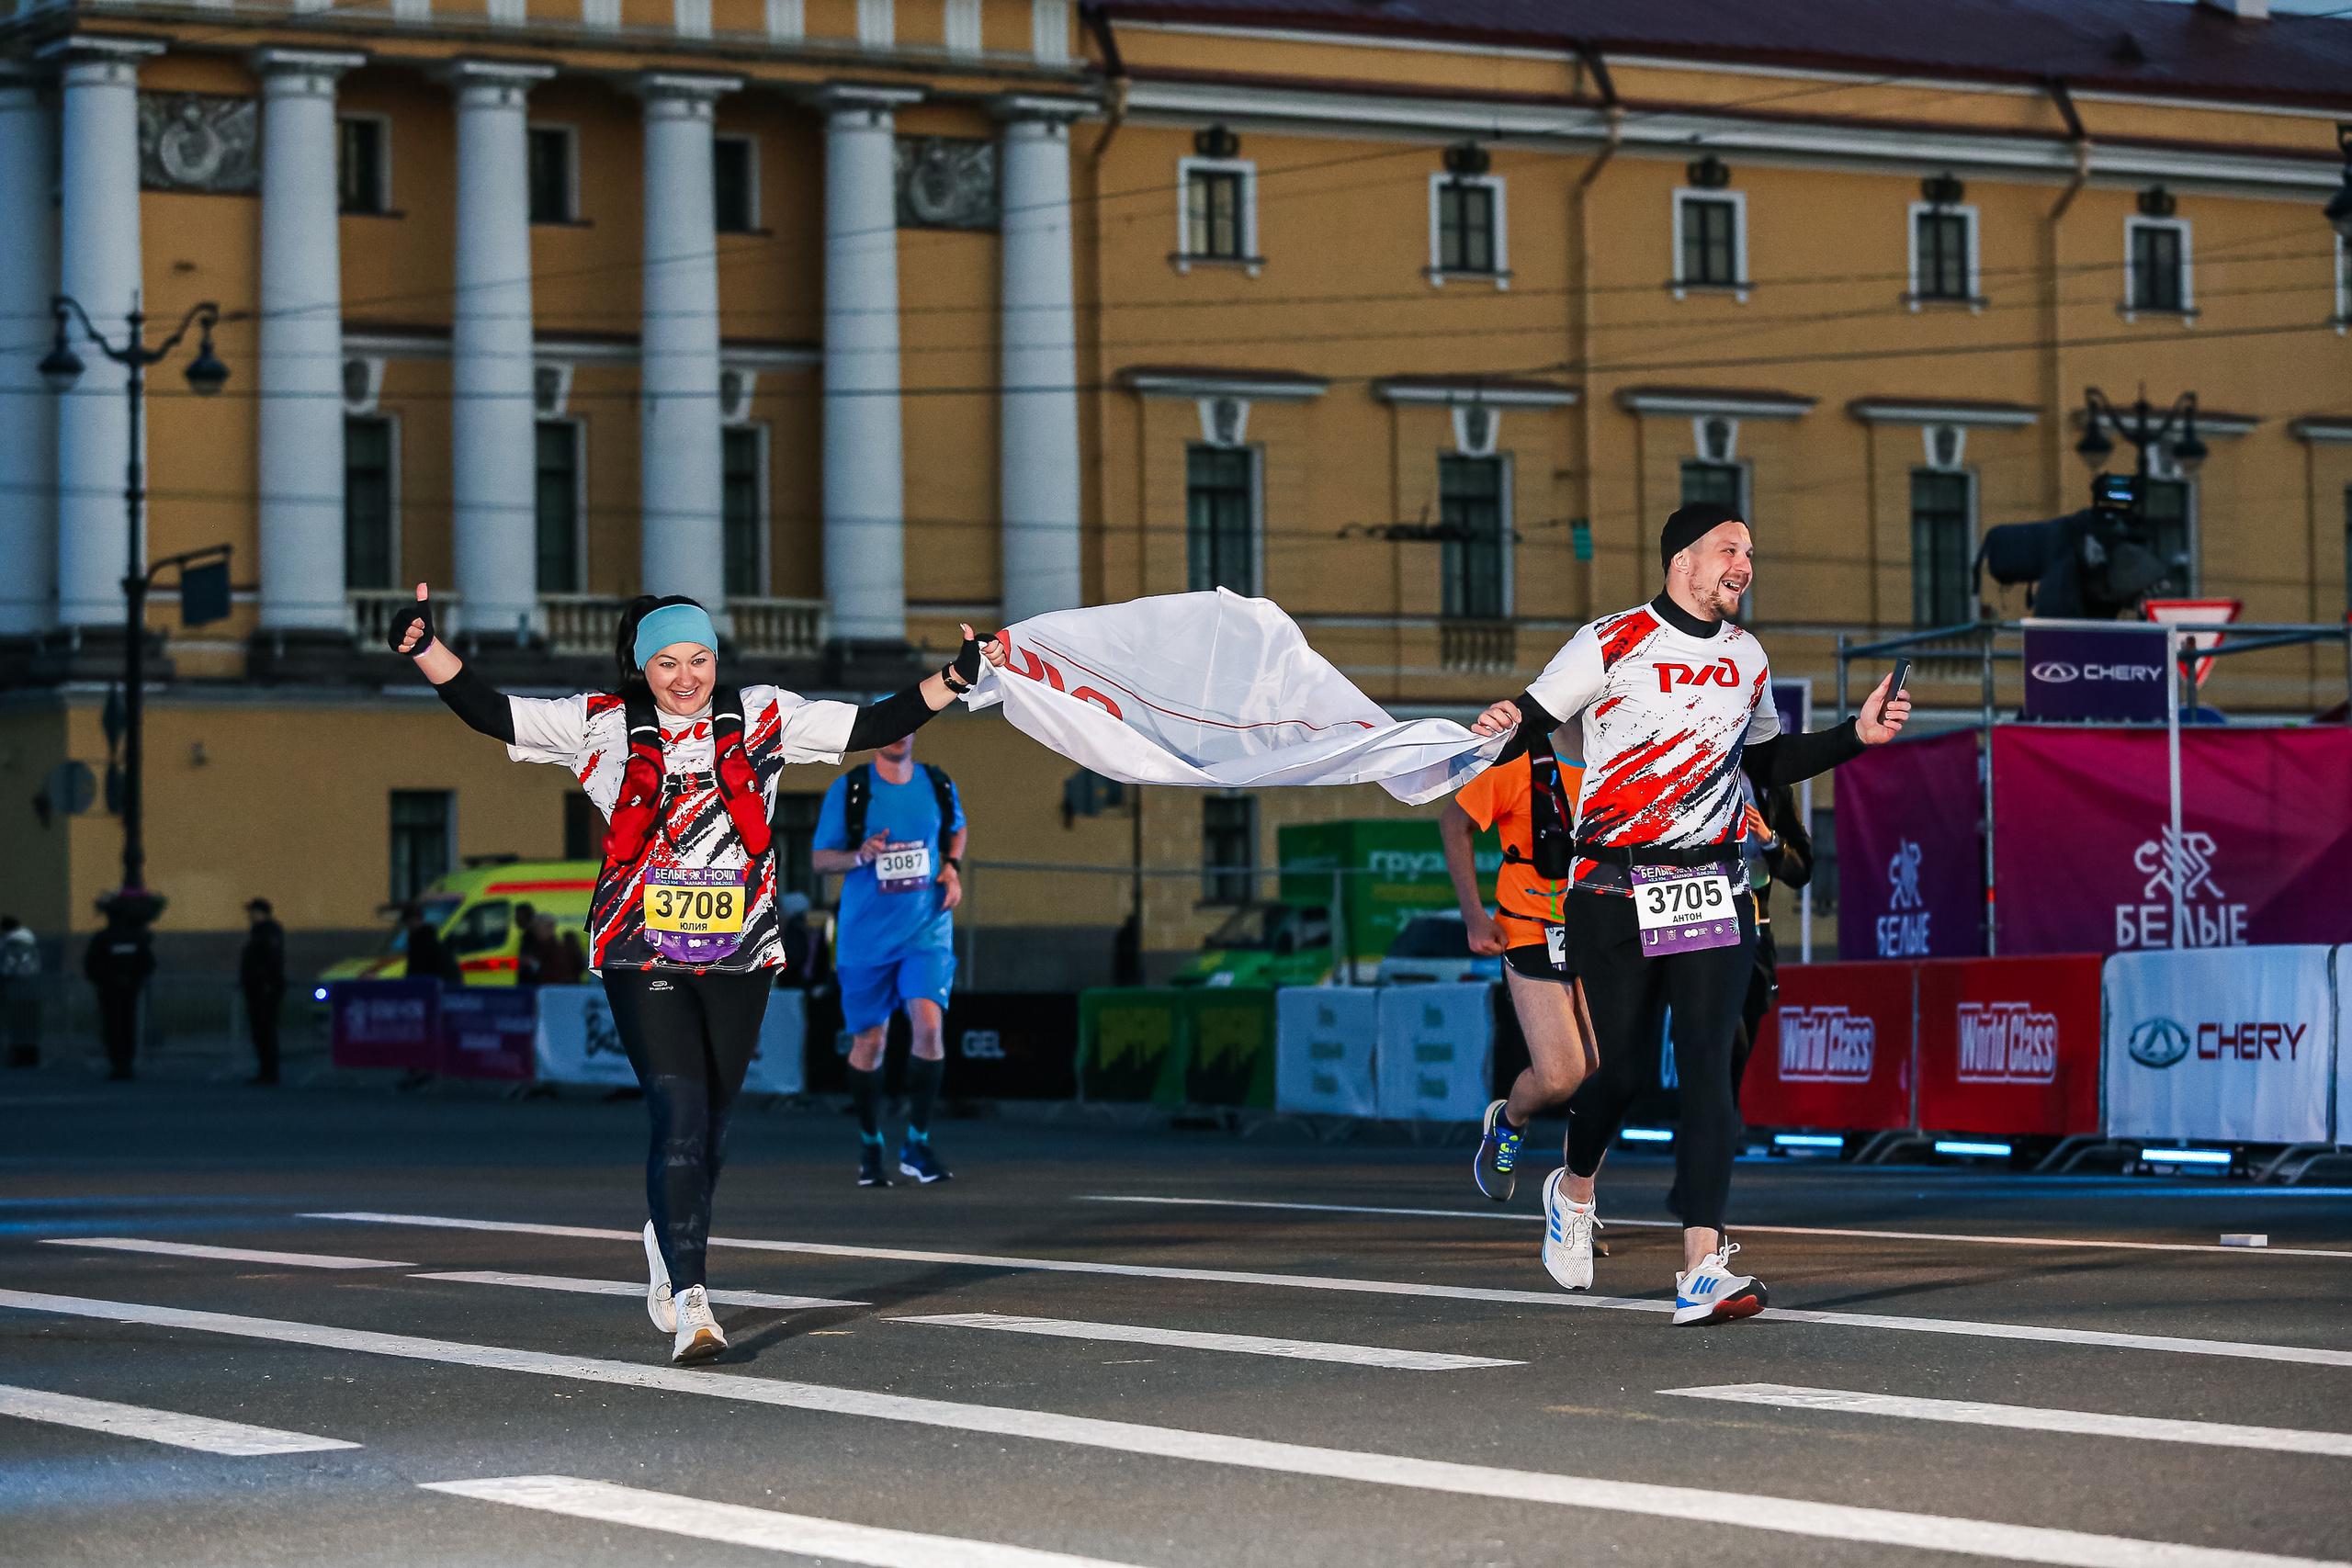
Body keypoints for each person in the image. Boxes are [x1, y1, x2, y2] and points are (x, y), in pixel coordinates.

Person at [390, 582, 1002, 1363]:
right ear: (642, 667)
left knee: (711, 1122)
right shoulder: (600, 725)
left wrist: (953, 678)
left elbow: (874, 722)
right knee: (677, 1109)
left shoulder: (765, 717)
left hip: (739, 949)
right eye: (668, 662)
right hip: (638, 943)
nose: (687, 676)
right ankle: (693, 1302)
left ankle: (665, 1226)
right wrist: (426, 649)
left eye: (700, 659)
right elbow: (492, 711)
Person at [1469, 501, 1908, 1325]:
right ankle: (1572, 1185)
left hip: (1712, 886)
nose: (1744, 565)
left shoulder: (1748, 656)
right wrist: (1502, 721)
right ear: (1682, 561)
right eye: (1729, 550)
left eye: (1751, 551)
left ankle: (1701, 1267)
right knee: (1625, 1070)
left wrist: (1857, 733)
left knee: (1709, 1068)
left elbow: (1769, 757)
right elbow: (1531, 715)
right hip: (1612, 888)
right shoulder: (1612, 639)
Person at [1441, 739, 1610, 1284]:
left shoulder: (1630, 752)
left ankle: (1576, 1207)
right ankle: (1508, 1120)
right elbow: (1454, 822)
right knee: (1562, 1075)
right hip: (1529, 927)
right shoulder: (1522, 763)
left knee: (1605, 1073)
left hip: (1601, 927)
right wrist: (1473, 915)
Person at [812, 732, 967, 1188]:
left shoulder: (938, 783)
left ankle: (917, 1143)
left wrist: (951, 866)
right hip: (865, 939)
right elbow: (821, 859)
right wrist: (859, 855)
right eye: (890, 725)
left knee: (930, 1027)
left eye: (908, 724)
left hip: (927, 929)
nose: (899, 734)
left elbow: (956, 827)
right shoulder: (851, 789)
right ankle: (870, 1141)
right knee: (870, 1044)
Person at [84, 905, 155, 1084]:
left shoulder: (102, 938)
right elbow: (148, 963)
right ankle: (126, 1064)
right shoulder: (136, 938)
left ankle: (117, 1064)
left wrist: (104, 980)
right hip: (130, 990)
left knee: (112, 1027)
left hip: (109, 990)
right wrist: (136, 979)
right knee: (128, 1025)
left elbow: (91, 965)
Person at [240, 897, 288, 1087]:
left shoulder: (269, 931)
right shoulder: (259, 932)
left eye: (253, 911)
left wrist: (268, 983)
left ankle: (270, 1072)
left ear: (263, 912)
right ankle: (265, 1070)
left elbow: (272, 959)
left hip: (265, 989)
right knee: (259, 1032)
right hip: (257, 988)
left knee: (266, 1031)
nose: (250, 915)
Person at [1, 916, 42, 1069]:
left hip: (17, 989)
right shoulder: (31, 942)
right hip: (33, 988)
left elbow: (8, 968)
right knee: (31, 1025)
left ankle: (20, 1057)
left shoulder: (13, 944)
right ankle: (32, 1056)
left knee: (18, 1025)